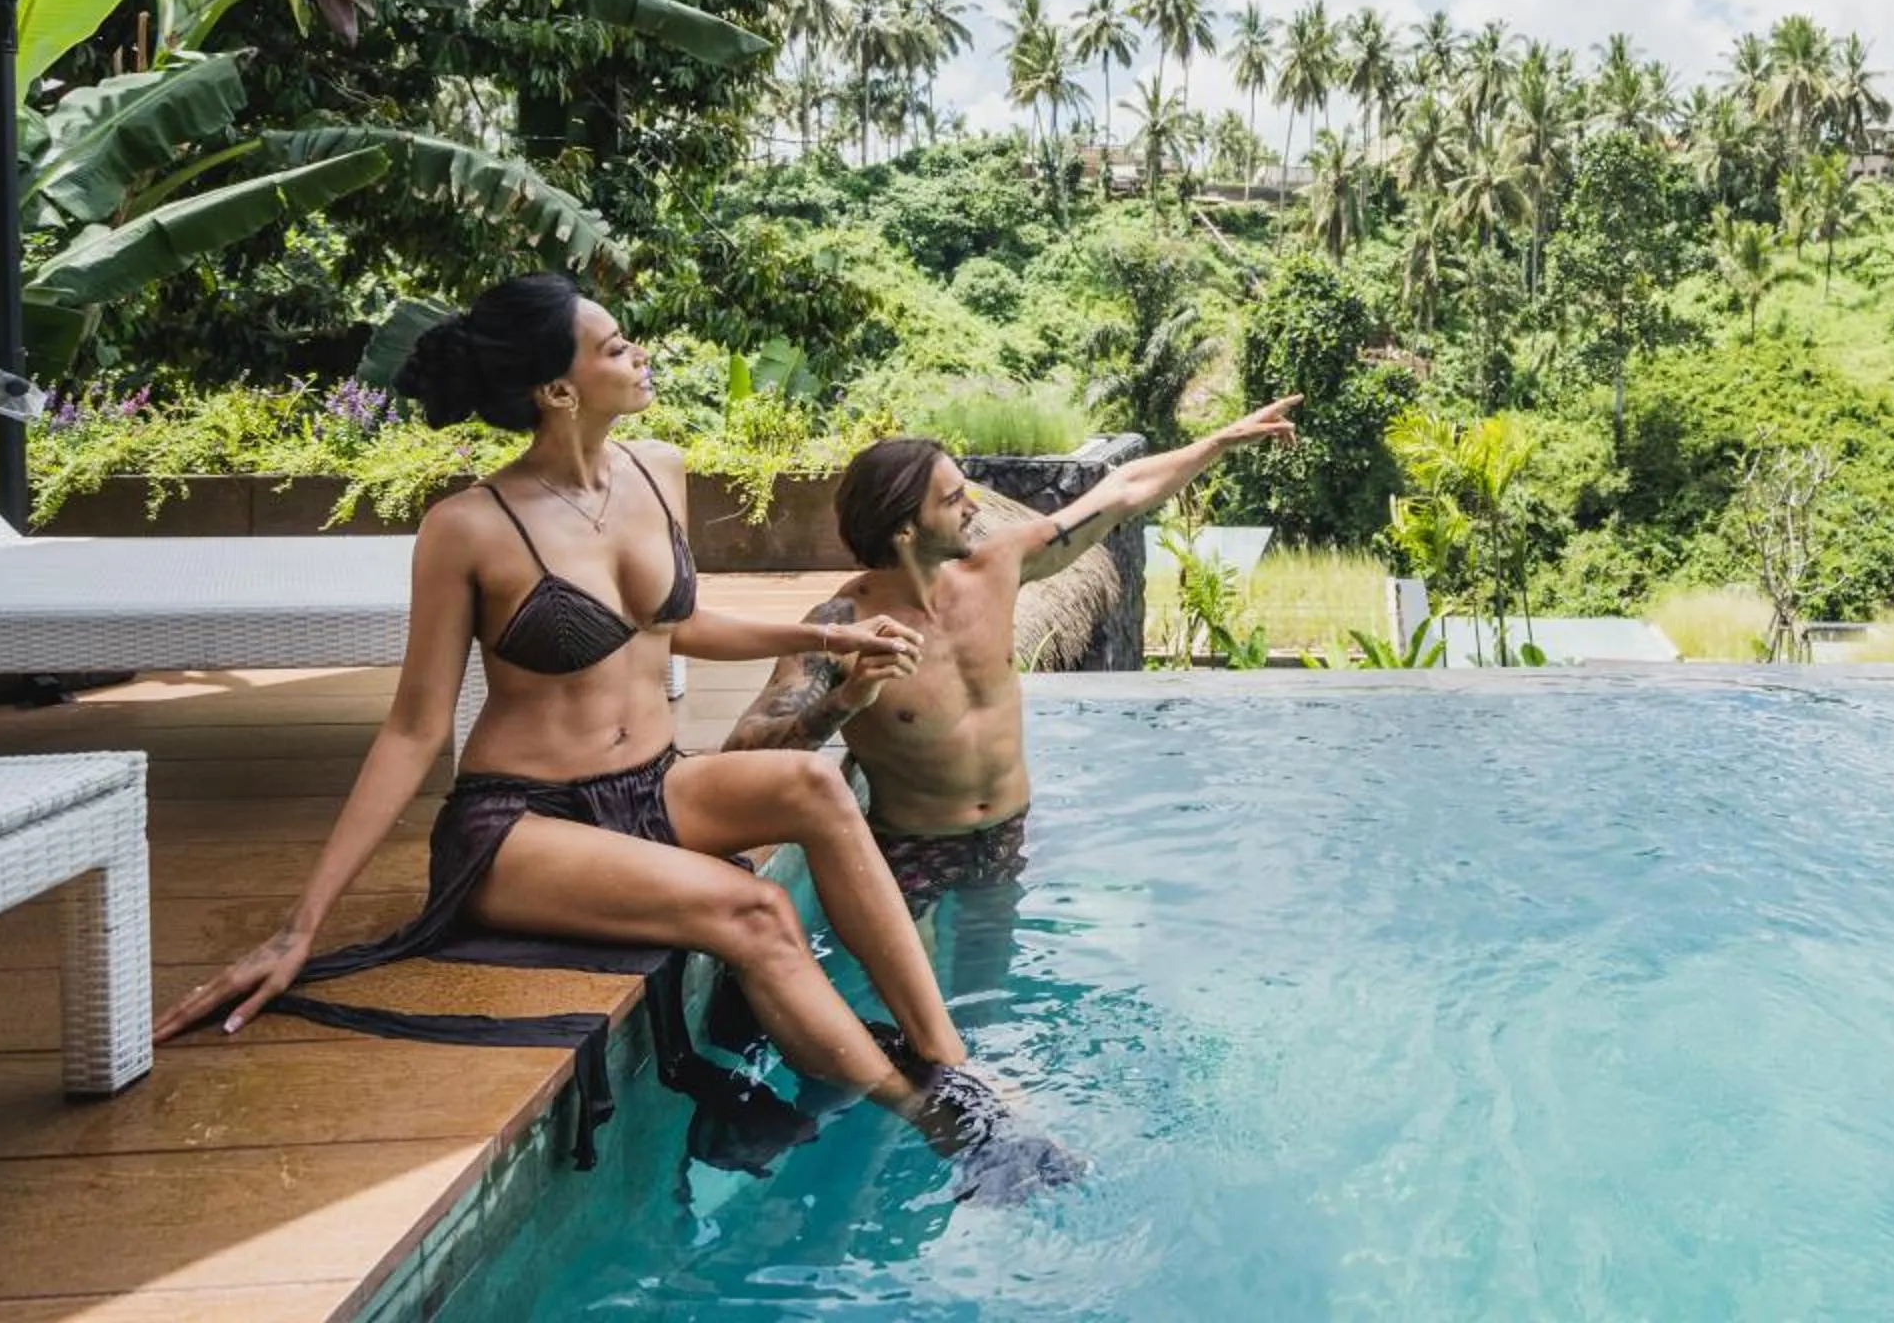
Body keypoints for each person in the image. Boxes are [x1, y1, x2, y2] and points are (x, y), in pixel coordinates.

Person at [154, 274, 1067, 1191]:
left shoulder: (653, 469)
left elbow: (676, 626)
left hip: (648, 785)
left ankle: (951, 1062)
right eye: (615, 347)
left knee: (818, 788)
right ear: (558, 391)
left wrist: (825, 633)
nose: (640, 355)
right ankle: (936, 1120)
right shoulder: (467, 528)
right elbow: (412, 729)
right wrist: (298, 926)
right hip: (522, 824)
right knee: (754, 911)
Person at [723, 399, 1303, 921]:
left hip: (1006, 832)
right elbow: (742, 756)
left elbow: (1121, 491)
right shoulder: (840, 628)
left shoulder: (1000, 565)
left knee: (990, 997)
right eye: (953, 500)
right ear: (905, 528)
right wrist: (844, 702)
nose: (974, 507)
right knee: (922, 1020)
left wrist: (1220, 442)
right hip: (910, 851)